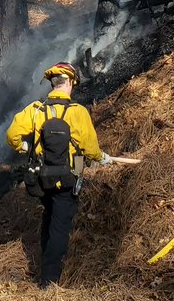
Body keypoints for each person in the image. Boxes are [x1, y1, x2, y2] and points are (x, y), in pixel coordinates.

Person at [6, 62, 110, 288]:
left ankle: (45, 268)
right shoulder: (78, 112)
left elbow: (12, 135)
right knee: (60, 228)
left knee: (49, 216)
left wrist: (26, 148)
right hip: (70, 177)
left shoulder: (36, 109)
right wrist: (102, 157)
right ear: (70, 82)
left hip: (43, 178)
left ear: (53, 84)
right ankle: (49, 282)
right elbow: (90, 149)